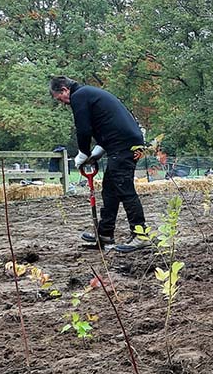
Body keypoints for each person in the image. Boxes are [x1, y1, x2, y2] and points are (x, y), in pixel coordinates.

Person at [50, 76, 147, 250]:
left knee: (124, 188)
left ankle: (141, 235)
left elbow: (84, 129)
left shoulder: (79, 96)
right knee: (110, 189)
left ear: (65, 90)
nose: (63, 102)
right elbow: (107, 124)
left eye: (60, 98)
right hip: (122, 143)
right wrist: (98, 150)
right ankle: (105, 234)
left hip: (124, 145)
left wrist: (83, 152)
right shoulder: (89, 94)